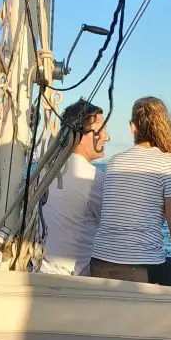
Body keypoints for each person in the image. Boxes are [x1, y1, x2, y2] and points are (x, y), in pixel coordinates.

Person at [90, 96, 171, 295]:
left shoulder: (114, 162)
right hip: (141, 272)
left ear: (133, 127)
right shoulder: (168, 164)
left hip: (98, 267)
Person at [40, 99, 110, 276]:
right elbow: (116, 228)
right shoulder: (93, 178)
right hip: (73, 282)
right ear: (78, 136)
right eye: (100, 131)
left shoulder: (44, 171)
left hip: (40, 270)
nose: (106, 137)